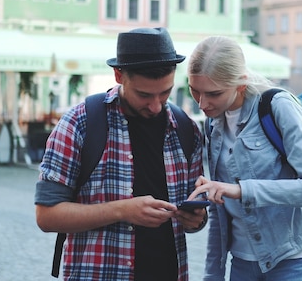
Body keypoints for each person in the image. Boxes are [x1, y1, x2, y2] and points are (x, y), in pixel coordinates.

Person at [34, 27, 206, 281]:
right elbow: (47, 216)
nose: (156, 105)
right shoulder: (80, 123)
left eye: (165, 93)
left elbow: (195, 220)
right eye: (144, 95)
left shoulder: (186, 128)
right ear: (118, 75)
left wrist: (196, 219)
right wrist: (123, 210)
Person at [186, 36, 302, 281]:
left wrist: (242, 190)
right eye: (195, 91)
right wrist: (212, 274)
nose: (202, 103)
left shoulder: (278, 106)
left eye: (214, 93)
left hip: (298, 262)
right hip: (243, 265)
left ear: (240, 85)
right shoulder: (213, 124)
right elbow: (218, 209)